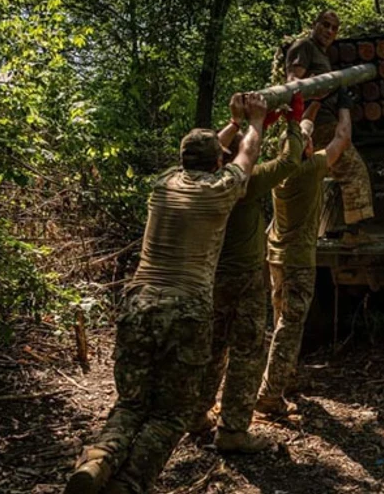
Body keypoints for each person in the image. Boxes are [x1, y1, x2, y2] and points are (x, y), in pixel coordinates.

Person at [63, 93, 268, 494]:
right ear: (217, 163)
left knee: (131, 404)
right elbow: (247, 154)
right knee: (172, 415)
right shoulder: (222, 188)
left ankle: (98, 462)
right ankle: (131, 484)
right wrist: (256, 122)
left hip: (138, 302)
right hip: (186, 308)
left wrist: (232, 121)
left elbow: (208, 151)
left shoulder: (163, 184)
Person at [188, 91, 309, 453]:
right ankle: (233, 430)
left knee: (212, 347)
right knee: (247, 351)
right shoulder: (245, 183)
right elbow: (290, 160)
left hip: (210, 276)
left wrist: (240, 123)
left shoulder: (195, 181)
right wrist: (292, 120)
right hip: (243, 278)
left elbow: (213, 150)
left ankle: (196, 414)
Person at [284, 9, 384, 243]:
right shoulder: (303, 46)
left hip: (320, 121)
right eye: (325, 25)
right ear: (314, 24)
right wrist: (322, 92)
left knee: (314, 177)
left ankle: (301, 230)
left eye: (334, 28)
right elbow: (293, 85)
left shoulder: (320, 54)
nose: (329, 31)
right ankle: (353, 234)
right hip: (317, 123)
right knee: (354, 171)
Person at [255, 91, 354, 416]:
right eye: (309, 140)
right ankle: (270, 394)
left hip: (276, 258)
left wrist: (309, 105)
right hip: (297, 260)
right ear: (307, 149)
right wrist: (343, 105)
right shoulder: (311, 171)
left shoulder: (278, 170)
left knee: (280, 317)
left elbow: (300, 134)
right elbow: (342, 137)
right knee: (291, 324)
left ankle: (288, 376)